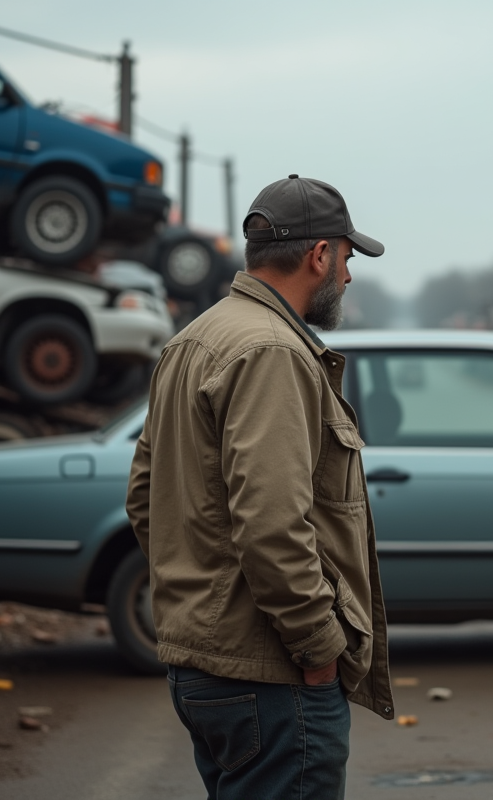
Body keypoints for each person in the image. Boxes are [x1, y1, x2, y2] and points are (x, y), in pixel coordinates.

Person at [126, 174, 394, 800]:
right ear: (319, 255)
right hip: (271, 677)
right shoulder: (273, 351)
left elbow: (146, 498)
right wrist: (318, 647)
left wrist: (202, 597)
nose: (349, 277)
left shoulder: (195, 338)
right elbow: (272, 523)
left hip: (206, 667)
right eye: (348, 258)